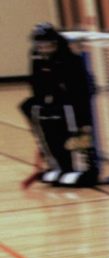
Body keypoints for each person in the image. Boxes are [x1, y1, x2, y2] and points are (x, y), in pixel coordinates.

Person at [19, 23, 98, 187]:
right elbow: (36, 83)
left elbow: (80, 91)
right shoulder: (36, 56)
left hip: (74, 101)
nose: (43, 48)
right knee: (32, 108)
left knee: (69, 120)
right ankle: (57, 165)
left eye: (47, 44)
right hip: (54, 100)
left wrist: (84, 123)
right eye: (40, 44)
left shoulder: (70, 59)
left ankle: (79, 168)